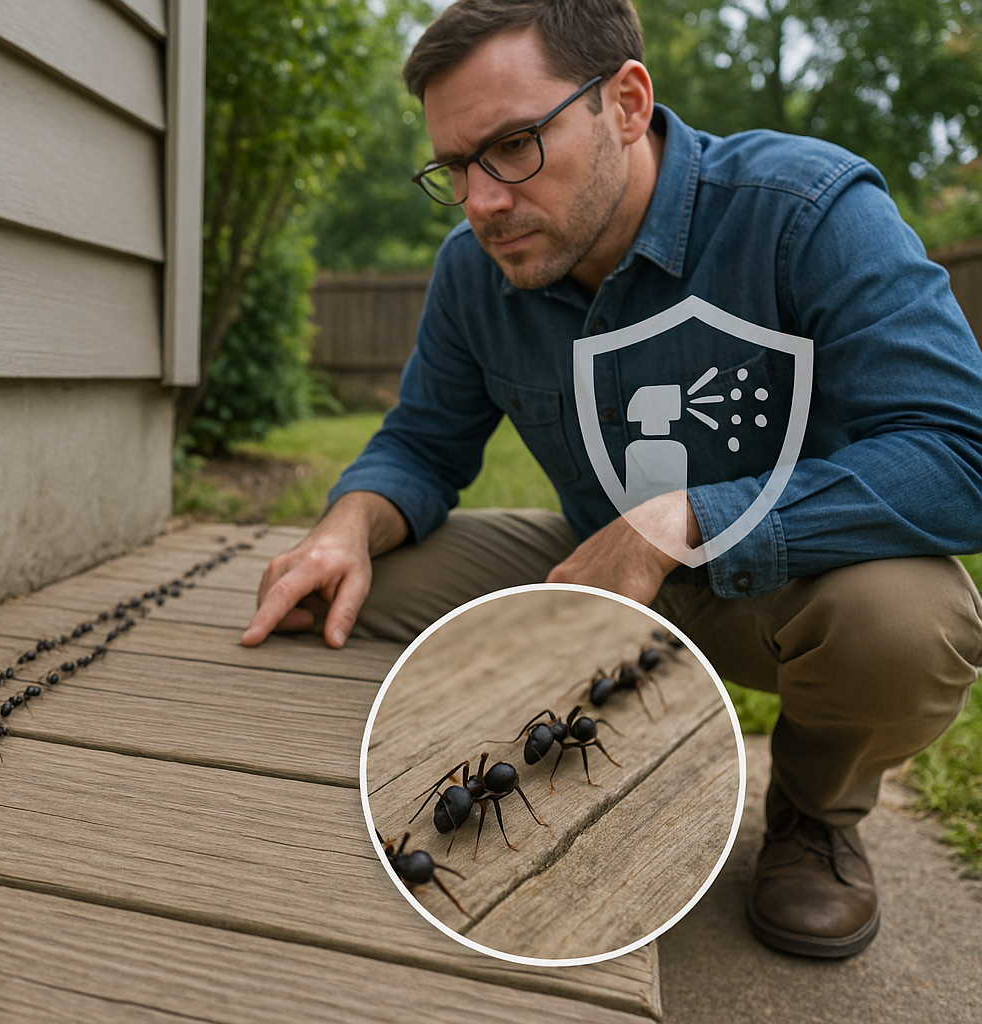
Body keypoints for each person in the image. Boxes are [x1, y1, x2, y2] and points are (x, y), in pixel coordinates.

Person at [242, 0, 982, 958]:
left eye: (512, 146)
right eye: (456, 167)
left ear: (625, 103)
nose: (480, 201)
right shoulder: (473, 270)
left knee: (907, 625)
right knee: (349, 586)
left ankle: (815, 816)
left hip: (788, 585)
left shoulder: (808, 212)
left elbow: (959, 450)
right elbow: (422, 444)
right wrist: (346, 523)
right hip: (589, 570)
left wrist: (683, 521)